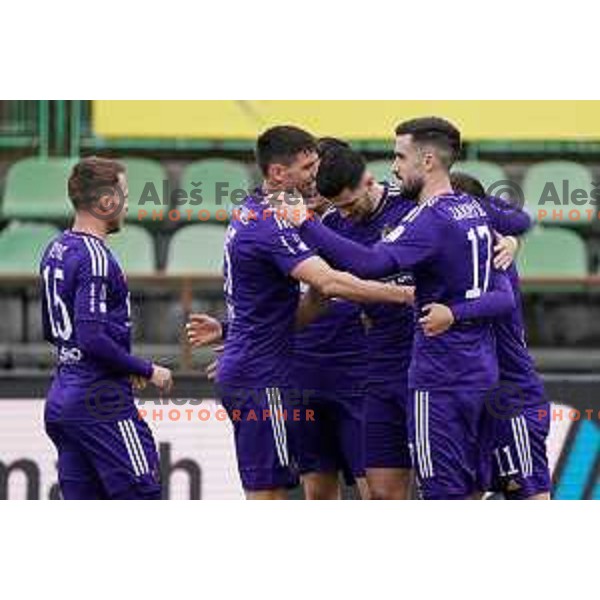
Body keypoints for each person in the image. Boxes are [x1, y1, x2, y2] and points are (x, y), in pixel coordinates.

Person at [279, 117, 517, 499]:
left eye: (399, 156)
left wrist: (507, 240)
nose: (394, 165)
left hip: (433, 369)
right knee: (384, 495)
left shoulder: (419, 209)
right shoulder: (342, 223)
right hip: (381, 368)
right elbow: (324, 292)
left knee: (447, 489)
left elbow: (374, 264)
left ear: (369, 181)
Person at [205, 126, 414, 499]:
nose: (315, 177)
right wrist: (404, 296)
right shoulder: (274, 223)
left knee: (373, 492)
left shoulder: (262, 213)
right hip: (270, 374)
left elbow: (315, 298)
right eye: (307, 168)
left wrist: (232, 336)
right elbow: (330, 284)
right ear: (277, 174)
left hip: (338, 374)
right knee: (277, 493)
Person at [40, 156, 172, 500]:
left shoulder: (55, 249)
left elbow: (53, 331)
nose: (126, 205)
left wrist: (117, 364)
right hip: (102, 403)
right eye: (124, 196)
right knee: (143, 498)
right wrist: (146, 369)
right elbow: (92, 338)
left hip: (62, 399)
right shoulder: (95, 257)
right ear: (106, 202)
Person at [420, 172, 551, 500]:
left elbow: (503, 299)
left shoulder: (492, 255)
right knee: (468, 493)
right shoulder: (446, 255)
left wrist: (511, 239)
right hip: (466, 390)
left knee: (530, 496)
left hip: (510, 394)